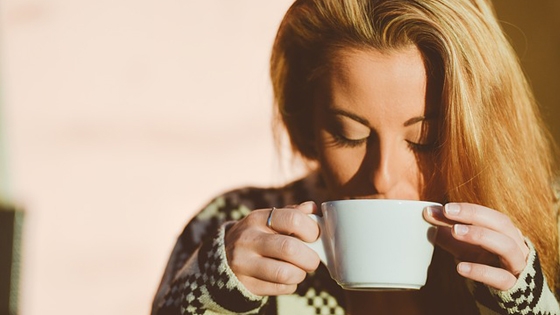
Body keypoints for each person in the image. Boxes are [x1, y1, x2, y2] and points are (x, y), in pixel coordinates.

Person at [151, 0, 560, 314]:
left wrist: (532, 302)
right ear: (307, 122)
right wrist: (207, 298)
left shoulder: (551, 223)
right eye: (350, 135)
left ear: (484, 128)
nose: (382, 177)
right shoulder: (230, 224)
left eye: (425, 139)